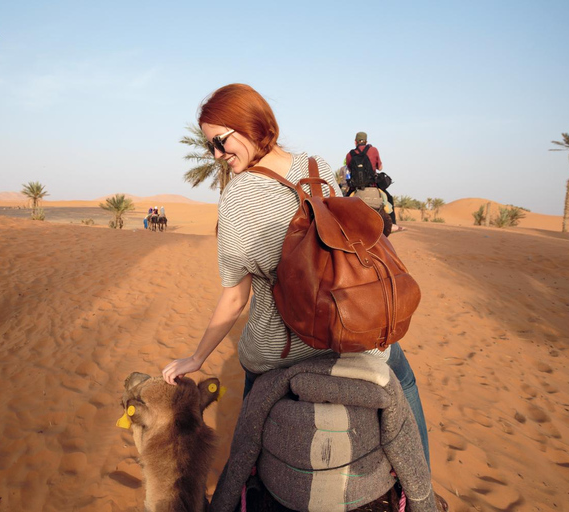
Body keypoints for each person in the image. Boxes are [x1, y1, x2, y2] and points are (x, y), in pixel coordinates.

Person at [162, 84, 431, 468]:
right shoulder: (316, 166)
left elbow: (236, 296)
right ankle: (423, 491)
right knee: (403, 380)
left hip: (282, 352)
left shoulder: (236, 199)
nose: (219, 156)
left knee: (248, 441)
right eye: (211, 148)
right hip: (352, 330)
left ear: (250, 124)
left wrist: (197, 357)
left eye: (220, 142)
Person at [345, 132, 404, 232]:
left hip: (356, 188)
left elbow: (350, 170)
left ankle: (341, 224)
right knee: (389, 198)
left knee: (344, 201)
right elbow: (380, 168)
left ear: (355, 142)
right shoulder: (373, 150)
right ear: (366, 141)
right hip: (372, 185)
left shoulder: (349, 154)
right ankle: (393, 224)